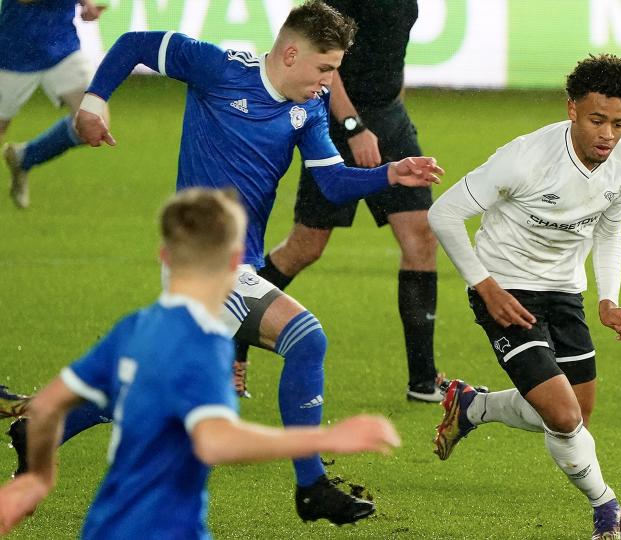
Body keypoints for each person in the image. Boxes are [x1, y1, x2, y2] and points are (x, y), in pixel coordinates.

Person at [69, 0, 442, 525]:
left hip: (236, 264)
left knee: (171, 385)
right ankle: (311, 486)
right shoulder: (218, 69)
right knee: (307, 339)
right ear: (291, 54)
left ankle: (41, 425)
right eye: (325, 69)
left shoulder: (308, 112)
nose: (329, 83)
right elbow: (134, 45)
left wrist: (389, 174)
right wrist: (93, 102)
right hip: (201, 262)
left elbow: (333, 181)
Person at [0, 188, 401, 538]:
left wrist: (37, 479)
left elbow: (51, 402)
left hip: (105, 526)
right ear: (236, 263)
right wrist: (325, 439)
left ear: (164, 257)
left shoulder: (134, 327)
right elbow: (216, 441)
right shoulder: (205, 347)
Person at [427, 54, 621, 540]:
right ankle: (606, 509)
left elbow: (610, 232)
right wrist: (485, 286)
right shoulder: (524, 159)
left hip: (564, 290)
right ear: (571, 109)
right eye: (597, 120)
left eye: (619, 123)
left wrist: (608, 299)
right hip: (505, 288)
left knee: (575, 414)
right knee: (565, 417)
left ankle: (473, 406)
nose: (608, 135)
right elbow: (443, 213)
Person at [237, 0, 444, 403]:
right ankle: (234, 331)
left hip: (389, 117)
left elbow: (389, 56)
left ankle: (423, 379)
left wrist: (393, 118)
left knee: (421, 238)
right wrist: (353, 127)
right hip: (334, 120)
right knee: (305, 247)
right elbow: (327, 64)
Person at [1, 0, 107, 209]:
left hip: (62, 48)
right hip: (15, 52)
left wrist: (87, 5)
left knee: (94, 122)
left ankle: (24, 157)